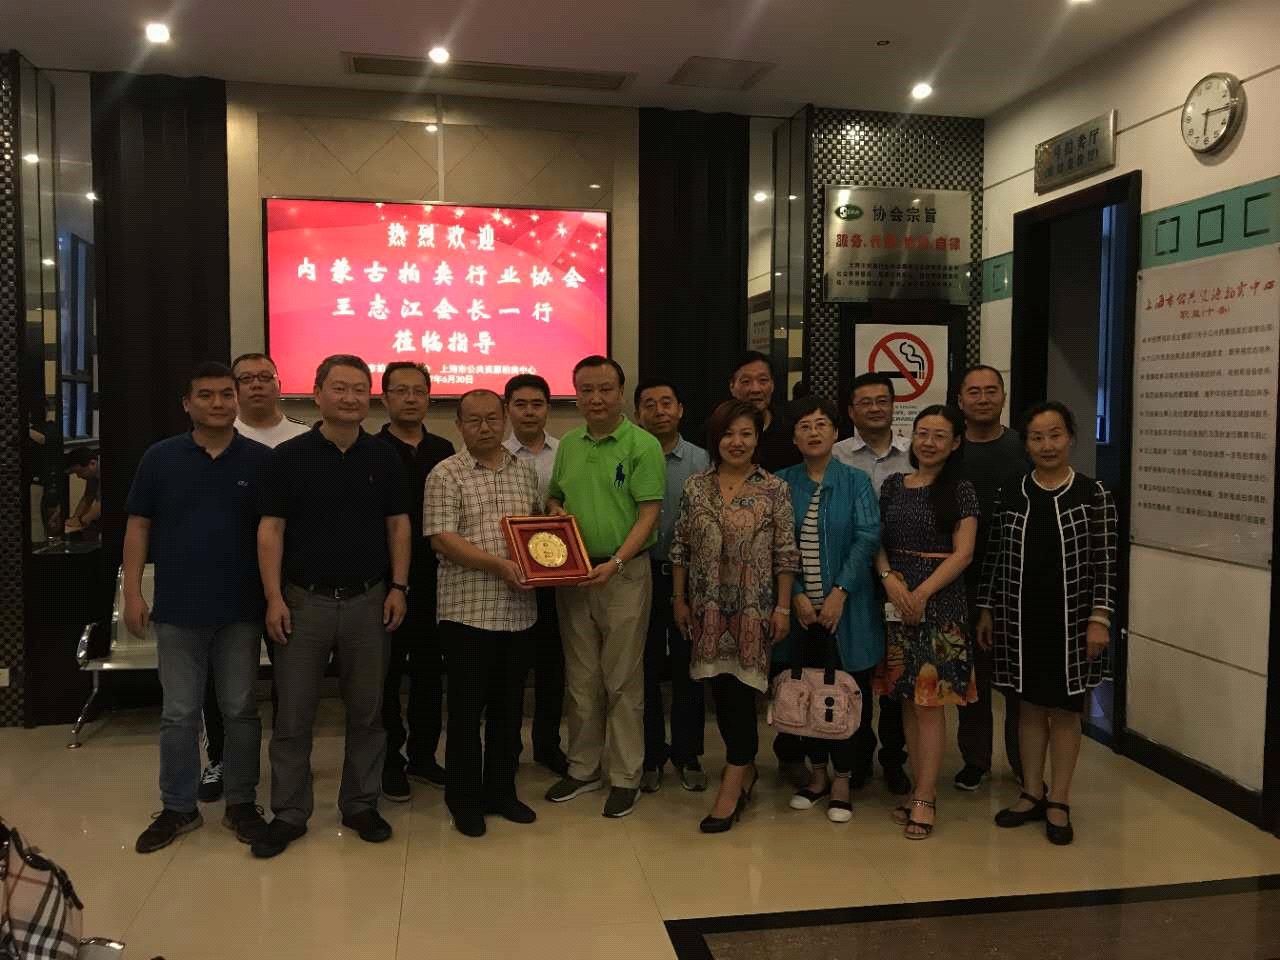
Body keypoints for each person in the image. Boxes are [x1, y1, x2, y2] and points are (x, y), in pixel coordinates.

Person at [249, 354, 411, 859]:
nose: (350, 397)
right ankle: (289, 812)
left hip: (369, 600)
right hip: (303, 602)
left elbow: (398, 526)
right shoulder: (288, 457)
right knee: (294, 716)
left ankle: (360, 804)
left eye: (360, 389)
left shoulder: (384, 457)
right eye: (339, 388)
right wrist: (273, 597)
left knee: (368, 712)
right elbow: (270, 529)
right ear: (317, 393)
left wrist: (399, 587)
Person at [123, 363, 271, 853]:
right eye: (205, 395)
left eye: (226, 394)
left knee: (240, 710)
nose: (218, 403)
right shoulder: (160, 458)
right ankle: (178, 807)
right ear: (187, 404)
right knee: (179, 713)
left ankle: (242, 804)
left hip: (241, 608)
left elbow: (274, 532)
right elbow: (138, 526)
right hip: (178, 608)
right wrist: (132, 593)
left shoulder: (259, 460)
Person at [978, 402, 1116, 846]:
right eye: (1037, 437)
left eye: (1055, 435)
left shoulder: (1093, 494)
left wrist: (1100, 618)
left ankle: (1059, 798)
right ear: (1026, 444)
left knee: (1066, 710)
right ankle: (1031, 792)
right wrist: (986, 608)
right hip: (1019, 618)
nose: (1047, 445)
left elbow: (1106, 563)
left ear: (1070, 437)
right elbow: (994, 557)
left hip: (1073, 621)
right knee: (1028, 707)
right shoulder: (1012, 492)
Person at [543, 356, 665, 819]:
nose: (595, 399)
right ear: (576, 394)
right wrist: (554, 510)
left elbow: (648, 514)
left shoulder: (642, 444)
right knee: (581, 679)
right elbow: (556, 494)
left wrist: (616, 563)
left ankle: (626, 775)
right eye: (586, 390)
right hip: (574, 576)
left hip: (623, 573)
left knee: (622, 680)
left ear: (620, 393)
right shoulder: (570, 445)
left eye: (605, 389)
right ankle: (583, 768)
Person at [671, 399, 798, 833]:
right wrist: (679, 599)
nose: (736, 442)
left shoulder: (775, 489)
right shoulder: (696, 486)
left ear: (758, 439)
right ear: (715, 439)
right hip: (705, 607)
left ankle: (732, 780)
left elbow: (785, 554)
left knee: (744, 693)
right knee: (720, 692)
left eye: (746, 433)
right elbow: (680, 547)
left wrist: (783, 607)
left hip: (753, 608)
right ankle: (745, 767)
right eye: (728, 434)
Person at [424, 389, 543, 837]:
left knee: (509, 711)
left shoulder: (524, 471)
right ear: (459, 425)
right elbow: (442, 538)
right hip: (467, 613)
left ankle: (502, 792)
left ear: (505, 420)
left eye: (492, 418)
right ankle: (464, 800)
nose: (485, 427)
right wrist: (499, 565)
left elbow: (534, 531)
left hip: (518, 613)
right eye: (473, 420)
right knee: (465, 711)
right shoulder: (445, 474)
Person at [197, 352, 311, 805]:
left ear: (280, 384)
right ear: (235, 389)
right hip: (231, 579)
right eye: (247, 379)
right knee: (224, 683)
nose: (258, 385)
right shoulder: (220, 437)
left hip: (292, 581)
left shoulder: (304, 437)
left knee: (292, 680)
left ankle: (288, 760)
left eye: (266, 376)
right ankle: (220, 759)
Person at [873, 405, 979, 840]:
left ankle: (925, 797)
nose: (929, 442)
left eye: (939, 435)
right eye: (922, 433)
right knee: (906, 701)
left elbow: (963, 553)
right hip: (897, 602)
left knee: (929, 704)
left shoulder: (962, 490)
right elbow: (876, 540)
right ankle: (920, 785)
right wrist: (889, 580)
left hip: (941, 605)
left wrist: (922, 593)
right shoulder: (893, 486)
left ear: (955, 443)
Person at [776, 397, 882, 823]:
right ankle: (817, 775)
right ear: (794, 437)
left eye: (821, 424)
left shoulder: (856, 481)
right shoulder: (781, 483)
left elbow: (867, 536)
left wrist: (840, 591)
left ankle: (844, 780)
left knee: (847, 694)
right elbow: (776, 543)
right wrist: (797, 595)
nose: (814, 432)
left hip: (847, 610)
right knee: (805, 692)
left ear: (836, 433)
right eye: (804, 426)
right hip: (801, 612)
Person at [831, 371, 912, 797]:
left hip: (905, 578)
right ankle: (857, 756)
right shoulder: (836, 455)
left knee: (897, 673)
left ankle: (894, 759)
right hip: (852, 578)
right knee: (857, 671)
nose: (875, 408)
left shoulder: (914, 453)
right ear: (851, 411)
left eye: (883, 400)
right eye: (866, 402)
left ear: (894, 405)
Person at [377, 362, 455, 801]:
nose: (410, 398)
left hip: (438, 580)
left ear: (429, 397)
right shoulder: (371, 449)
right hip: (383, 582)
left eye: (418, 391)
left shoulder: (444, 449)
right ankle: (390, 759)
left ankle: (423, 756)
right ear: (384, 397)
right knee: (385, 676)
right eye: (400, 391)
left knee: (429, 672)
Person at [954, 365, 1030, 791]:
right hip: (962, 578)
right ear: (960, 400)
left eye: (991, 391)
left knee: (1019, 681)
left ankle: (1023, 763)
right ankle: (975, 760)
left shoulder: (1024, 446)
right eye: (974, 392)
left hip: (1016, 580)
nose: (983, 399)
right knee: (972, 679)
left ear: (1003, 396)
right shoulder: (952, 449)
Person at [634, 378, 710, 794]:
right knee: (642, 669)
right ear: (637, 413)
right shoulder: (628, 453)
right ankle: (650, 756)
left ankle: (688, 754)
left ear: (680, 409)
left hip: (689, 579)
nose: (659, 410)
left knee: (689, 668)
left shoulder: (701, 459)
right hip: (638, 574)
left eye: (667, 402)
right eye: (649, 404)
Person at [502, 373, 568, 776]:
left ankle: (548, 744)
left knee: (552, 667)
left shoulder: (566, 453)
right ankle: (507, 748)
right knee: (510, 669)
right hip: (509, 577)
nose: (529, 412)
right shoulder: (494, 454)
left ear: (548, 408)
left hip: (557, 577)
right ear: (507, 409)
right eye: (520, 404)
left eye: (537, 404)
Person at [728, 351, 802, 473]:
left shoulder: (790, 428)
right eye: (746, 381)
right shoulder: (718, 429)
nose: (755, 389)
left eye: (763, 380)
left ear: (772, 385)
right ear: (732, 386)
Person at [232, 353, 311, 447]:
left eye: (265, 377)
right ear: (233, 389)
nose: (256, 385)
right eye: (246, 378)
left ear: (279, 386)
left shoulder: (304, 434)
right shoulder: (222, 435)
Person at [64, 447, 101, 534]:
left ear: (92, 463)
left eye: (80, 472)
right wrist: (75, 518)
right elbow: (87, 498)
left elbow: (102, 505)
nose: (79, 476)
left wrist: (81, 521)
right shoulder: (92, 475)